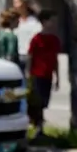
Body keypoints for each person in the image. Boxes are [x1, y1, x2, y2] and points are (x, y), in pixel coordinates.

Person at [27, 9, 62, 137]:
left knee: (45, 101)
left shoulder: (54, 40)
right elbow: (30, 56)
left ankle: (39, 125)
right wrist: (28, 73)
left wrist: (58, 77)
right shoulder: (36, 39)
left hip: (48, 75)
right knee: (38, 102)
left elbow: (56, 59)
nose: (54, 24)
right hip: (37, 74)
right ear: (44, 22)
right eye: (51, 21)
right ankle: (38, 126)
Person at [12, 0, 43, 69]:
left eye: (17, 2)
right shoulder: (15, 21)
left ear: (25, 4)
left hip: (28, 58)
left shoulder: (34, 22)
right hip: (17, 57)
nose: (14, 6)